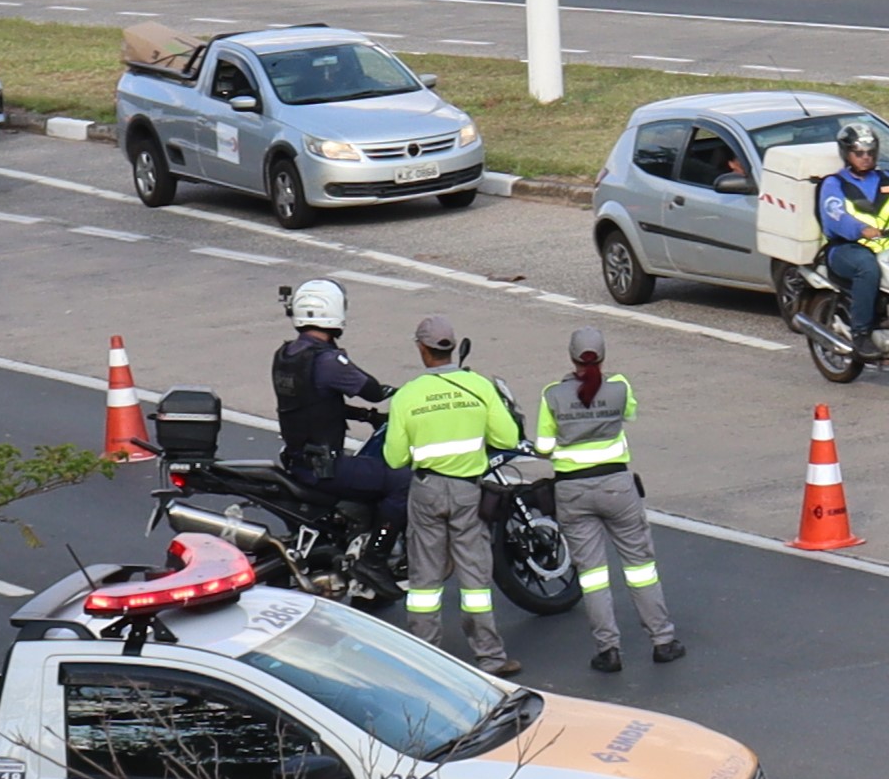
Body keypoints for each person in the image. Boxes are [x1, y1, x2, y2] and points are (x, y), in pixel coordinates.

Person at [531, 337, 680, 675]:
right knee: (640, 567)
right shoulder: (619, 386)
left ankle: (608, 650)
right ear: (603, 356)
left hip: (572, 491)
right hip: (617, 487)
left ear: (571, 357)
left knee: (593, 575)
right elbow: (630, 412)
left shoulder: (552, 394)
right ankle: (663, 641)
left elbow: (542, 445)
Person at [380, 313, 520, 668]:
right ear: (453, 349)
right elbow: (507, 438)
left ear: (422, 350)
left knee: (425, 580)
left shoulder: (407, 396)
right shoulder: (479, 387)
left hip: (426, 491)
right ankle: (490, 657)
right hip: (468, 492)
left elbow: (394, 458)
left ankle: (425, 661)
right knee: (475, 578)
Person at [271, 278, 397, 520]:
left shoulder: (286, 355)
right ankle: (378, 551)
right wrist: (411, 391)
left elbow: (313, 404)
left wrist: (366, 416)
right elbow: (373, 391)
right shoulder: (327, 362)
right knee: (404, 480)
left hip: (300, 460)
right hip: (325, 469)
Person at [812, 136, 889, 364]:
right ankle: (861, 333)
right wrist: (860, 228)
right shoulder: (834, 184)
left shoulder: (887, 180)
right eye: (859, 153)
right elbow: (835, 216)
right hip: (845, 249)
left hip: (886, 247)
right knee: (868, 268)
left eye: (870, 152)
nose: (866, 157)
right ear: (847, 154)